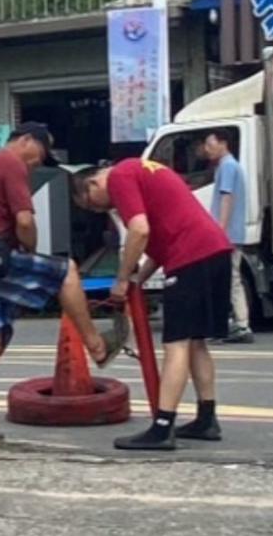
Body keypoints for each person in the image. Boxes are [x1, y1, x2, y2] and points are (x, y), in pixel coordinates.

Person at [0, 122, 110, 450]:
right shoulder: (10, 163)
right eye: (40, 153)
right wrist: (30, 251)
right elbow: (25, 221)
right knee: (67, 271)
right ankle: (95, 344)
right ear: (26, 141)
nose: (37, 162)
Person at [73, 159, 233, 450]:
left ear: (93, 183)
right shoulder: (144, 171)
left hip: (192, 257)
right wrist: (137, 280)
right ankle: (207, 418)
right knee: (196, 342)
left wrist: (121, 278)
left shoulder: (120, 175)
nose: (99, 210)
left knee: (177, 344)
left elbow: (140, 230)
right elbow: (158, 248)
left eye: (92, 204)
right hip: (214, 251)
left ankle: (162, 427)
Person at [204, 130, 254, 344]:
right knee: (231, 279)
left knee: (230, 280)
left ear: (223, 143)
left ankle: (241, 325)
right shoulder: (229, 166)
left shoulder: (227, 166)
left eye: (209, 144)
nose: (207, 149)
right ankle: (238, 324)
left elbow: (226, 198)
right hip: (232, 233)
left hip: (228, 234)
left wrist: (220, 230)